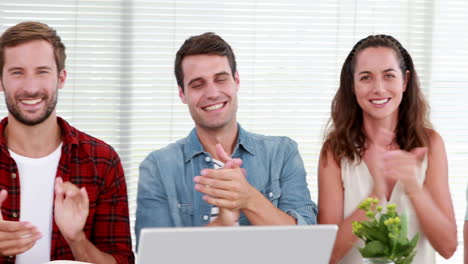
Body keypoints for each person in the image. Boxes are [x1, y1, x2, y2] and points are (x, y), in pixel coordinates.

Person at [135, 32, 317, 243]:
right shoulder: (158, 167)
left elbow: (308, 245)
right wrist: (222, 223)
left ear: (236, 81)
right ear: (182, 94)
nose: (212, 93)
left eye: (220, 79)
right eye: (197, 84)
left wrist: (249, 199)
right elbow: (156, 256)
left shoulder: (282, 153)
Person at [0, 21, 134, 263]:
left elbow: (122, 260)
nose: (31, 88)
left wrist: (77, 239)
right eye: (17, 72)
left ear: (61, 78)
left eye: (42, 71)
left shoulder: (102, 161)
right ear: (0, 81)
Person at [317, 35, 457, 263]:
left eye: (389, 76)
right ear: (352, 84)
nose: (378, 88)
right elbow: (327, 254)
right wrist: (375, 195)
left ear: (404, 81)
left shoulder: (431, 144)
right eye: (366, 78)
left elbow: (448, 247)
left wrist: (413, 187)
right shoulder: (334, 151)